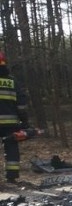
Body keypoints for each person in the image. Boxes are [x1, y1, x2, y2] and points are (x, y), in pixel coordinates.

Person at [0, 51, 30, 184]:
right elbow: (21, 104)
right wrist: (25, 121)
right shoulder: (12, 81)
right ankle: (11, 177)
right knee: (11, 148)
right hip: (10, 123)